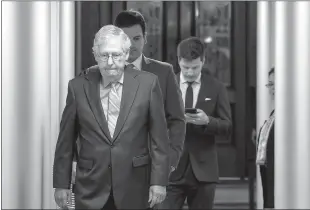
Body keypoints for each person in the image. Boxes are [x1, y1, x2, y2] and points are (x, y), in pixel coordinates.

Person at [53, 25, 170, 210]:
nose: (109, 62)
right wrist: (61, 183)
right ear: (95, 55)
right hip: (90, 185)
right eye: (104, 55)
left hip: (134, 184)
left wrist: (159, 182)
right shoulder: (77, 87)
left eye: (116, 55)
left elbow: (159, 139)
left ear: (125, 55)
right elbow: (65, 140)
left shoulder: (148, 84)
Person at [81, 10, 186, 175]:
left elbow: (177, 120)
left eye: (136, 38)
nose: (131, 45)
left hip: (150, 171)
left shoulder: (163, 73)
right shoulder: (94, 75)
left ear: (145, 38)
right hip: (104, 172)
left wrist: (170, 160)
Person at [161, 37, 232, 209]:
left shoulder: (216, 87)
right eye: (185, 67)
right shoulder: (165, 85)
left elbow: (227, 126)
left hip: (204, 170)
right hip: (170, 169)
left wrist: (207, 121)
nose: (190, 72)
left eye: (195, 67)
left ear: (203, 61)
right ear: (178, 61)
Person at [256, 67, 275, 209]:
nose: (272, 89)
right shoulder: (274, 113)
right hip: (268, 174)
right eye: (270, 84)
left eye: (276, 84)